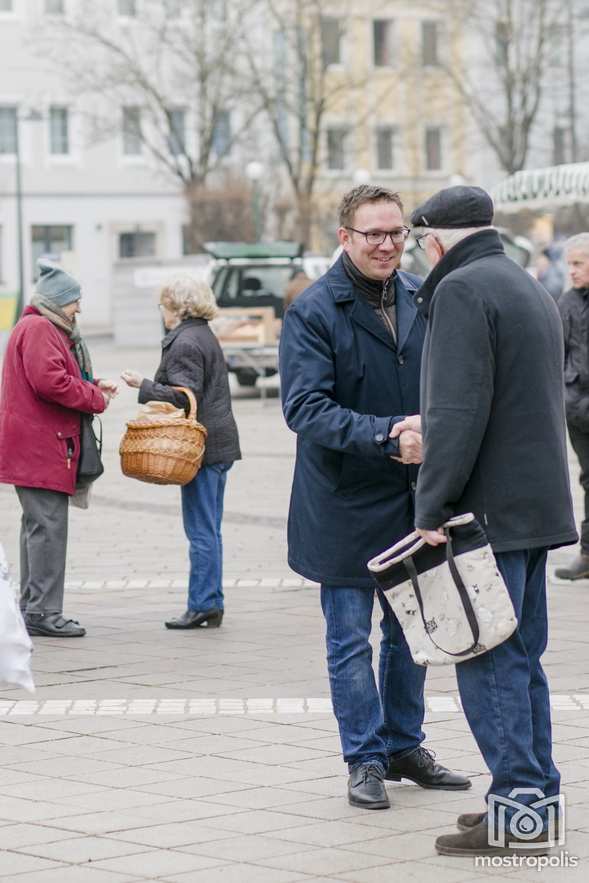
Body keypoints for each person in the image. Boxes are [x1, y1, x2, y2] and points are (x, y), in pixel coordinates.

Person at [398, 185, 576, 856]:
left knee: (487, 657)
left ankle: (518, 814)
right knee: (520, 656)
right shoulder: (523, 283)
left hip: (487, 513)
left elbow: (455, 409)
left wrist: (431, 505)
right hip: (532, 508)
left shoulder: (461, 291)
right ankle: (528, 798)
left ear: (434, 239)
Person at [279, 184, 470, 810]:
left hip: (413, 499)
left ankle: (402, 745)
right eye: (374, 234)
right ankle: (363, 757)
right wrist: (388, 435)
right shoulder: (314, 310)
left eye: (396, 233)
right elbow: (305, 409)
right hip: (341, 502)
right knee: (349, 640)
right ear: (345, 238)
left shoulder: (423, 294)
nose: (388, 244)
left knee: (412, 633)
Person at [0, 260, 117, 638]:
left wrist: (93, 383)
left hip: (36, 446)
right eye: (74, 301)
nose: (78, 308)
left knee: (38, 528)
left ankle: (34, 608)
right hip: (39, 447)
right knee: (48, 529)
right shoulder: (39, 328)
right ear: (56, 301)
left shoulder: (40, 327)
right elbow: (50, 382)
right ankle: (44, 612)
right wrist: (94, 397)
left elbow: (57, 373)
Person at [121, 276, 241, 629]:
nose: (162, 312)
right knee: (211, 529)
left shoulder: (186, 341)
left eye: (163, 305)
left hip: (200, 448)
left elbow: (184, 395)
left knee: (201, 530)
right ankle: (211, 601)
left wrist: (141, 385)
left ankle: (202, 604)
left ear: (177, 307)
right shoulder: (203, 334)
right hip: (220, 445)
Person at [554, 233, 589, 580]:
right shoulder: (566, 302)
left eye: (578, 264)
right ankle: (588, 553)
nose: (572, 271)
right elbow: (557, 352)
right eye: (570, 265)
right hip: (578, 410)